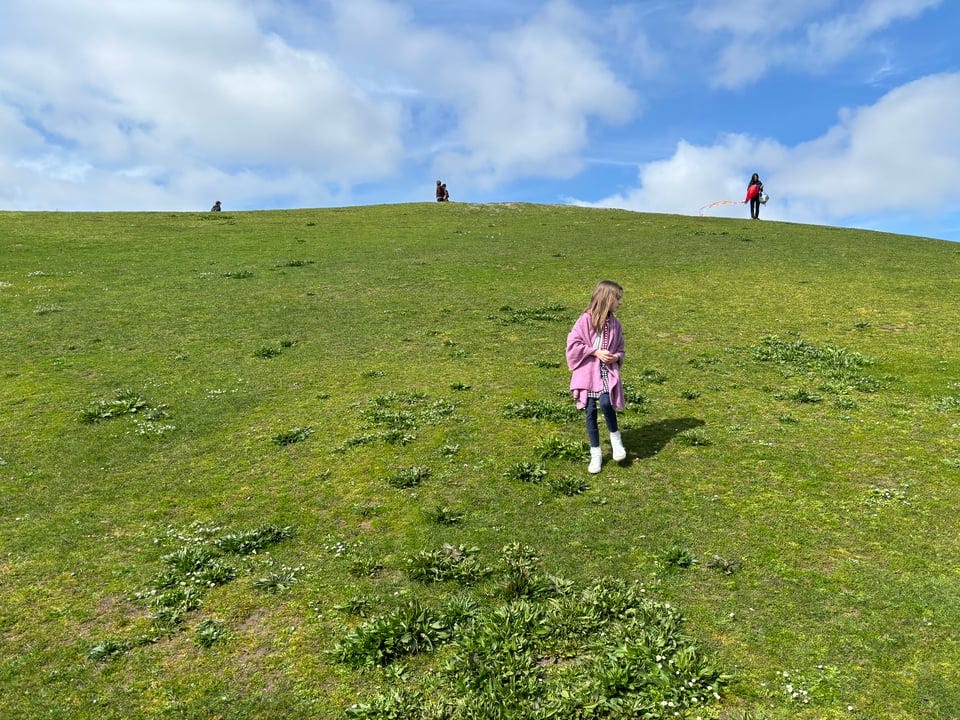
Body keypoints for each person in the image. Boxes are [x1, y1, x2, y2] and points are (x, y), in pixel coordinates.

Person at [566, 280, 627, 473]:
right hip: (587, 373)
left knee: (607, 403)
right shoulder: (585, 320)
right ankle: (596, 453)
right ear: (607, 299)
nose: (620, 303)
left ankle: (615, 439)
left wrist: (615, 357)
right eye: (618, 299)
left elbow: (621, 350)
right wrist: (595, 352)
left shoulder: (616, 324)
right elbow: (573, 343)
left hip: (605, 373)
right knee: (590, 411)